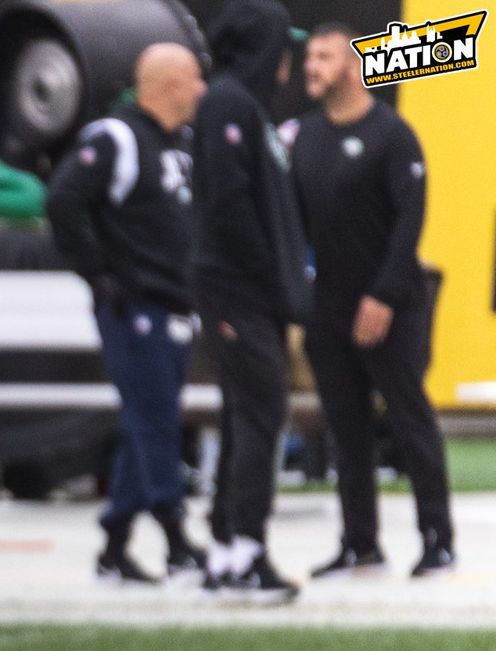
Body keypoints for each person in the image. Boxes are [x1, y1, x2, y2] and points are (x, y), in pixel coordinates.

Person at [290, 23, 453, 579]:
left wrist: (382, 297)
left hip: (390, 308)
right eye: (309, 56)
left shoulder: (392, 135)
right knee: (346, 428)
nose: (313, 66)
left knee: (411, 420)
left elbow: (410, 220)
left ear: (355, 66)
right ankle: (360, 542)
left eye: (325, 56)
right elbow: (293, 225)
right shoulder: (305, 138)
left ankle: (438, 539)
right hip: (328, 310)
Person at [46, 43, 207, 585]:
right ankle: (177, 539)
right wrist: (98, 275)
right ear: (167, 84)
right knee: (157, 420)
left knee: (147, 422)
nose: (201, 91)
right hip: (134, 307)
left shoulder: (179, 143)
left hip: (175, 307)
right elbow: (63, 199)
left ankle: (114, 547)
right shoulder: (116, 136)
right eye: (193, 80)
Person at [190, 0, 309, 603]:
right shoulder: (227, 104)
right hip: (237, 290)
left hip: (246, 291)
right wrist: (269, 279)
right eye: (280, 46)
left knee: (247, 414)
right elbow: (231, 209)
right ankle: (245, 551)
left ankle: (225, 551)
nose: (287, 60)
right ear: (262, 47)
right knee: (262, 410)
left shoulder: (246, 108)